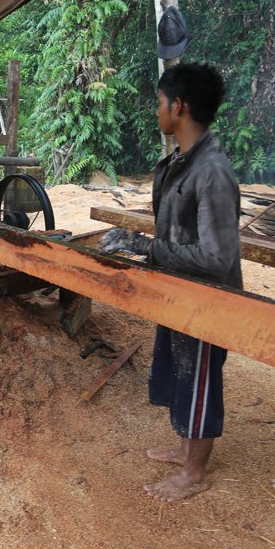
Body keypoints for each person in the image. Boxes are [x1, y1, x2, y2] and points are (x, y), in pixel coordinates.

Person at [100, 63, 242, 502]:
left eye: (160, 102)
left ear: (178, 106)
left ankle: (194, 474)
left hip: (205, 300)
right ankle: (185, 451)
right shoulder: (182, 163)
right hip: (178, 291)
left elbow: (218, 260)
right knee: (180, 372)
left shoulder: (212, 172)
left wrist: (147, 248)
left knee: (198, 379)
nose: (156, 110)